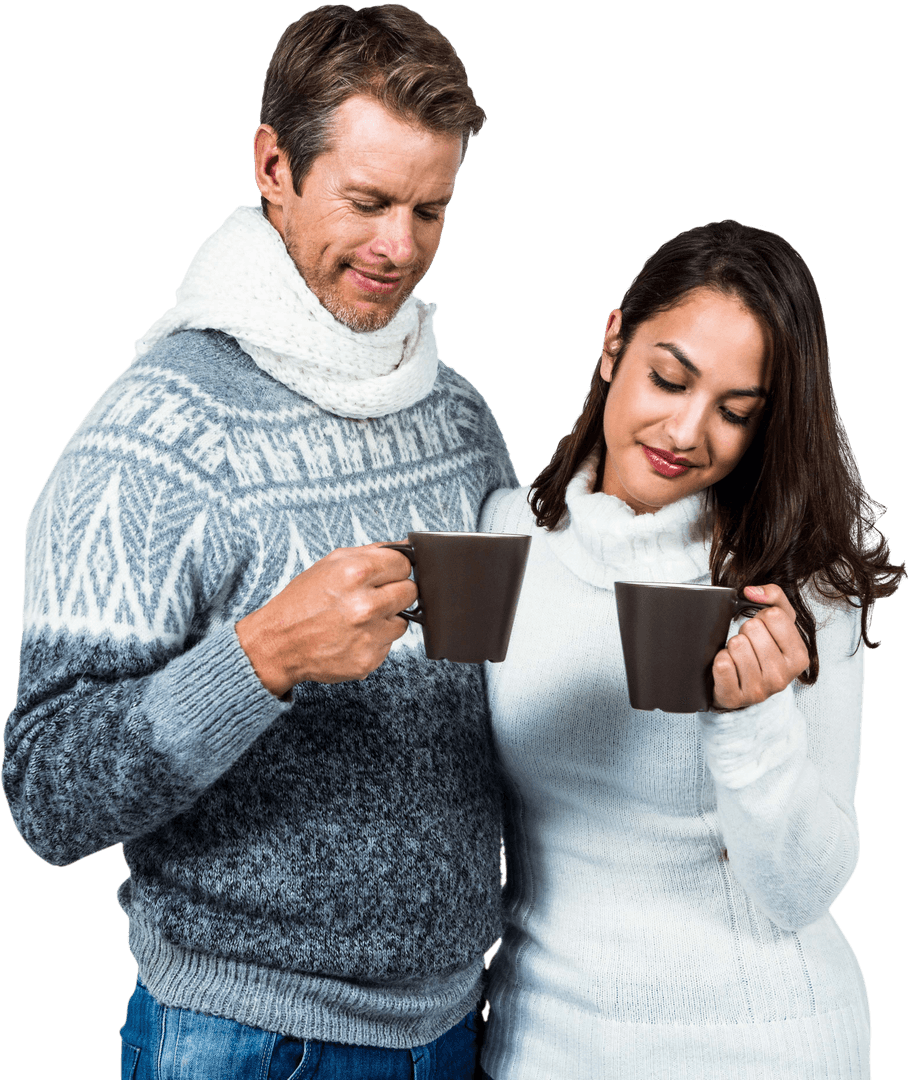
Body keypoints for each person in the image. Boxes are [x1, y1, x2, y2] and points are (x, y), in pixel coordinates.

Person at [2, 6, 516, 1078]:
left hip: (459, 1023)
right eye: (368, 202)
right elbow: (46, 793)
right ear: (274, 166)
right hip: (246, 1042)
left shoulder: (458, 415)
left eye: (432, 211)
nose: (399, 249)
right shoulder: (153, 439)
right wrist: (262, 658)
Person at [477, 220, 904, 1080]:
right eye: (667, 379)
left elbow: (800, 891)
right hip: (540, 1047)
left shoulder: (796, 587)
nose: (684, 431)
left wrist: (753, 725)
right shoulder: (500, 537)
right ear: (612, 345)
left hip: (757, 1043)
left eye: (734, 412)